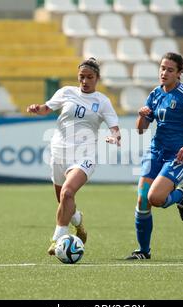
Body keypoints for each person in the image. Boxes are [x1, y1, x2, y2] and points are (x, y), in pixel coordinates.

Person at [26, 57, 121, 256]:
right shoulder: (66, 92)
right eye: (81, 77)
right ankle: (78, 221)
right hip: (59, 153)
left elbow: (114, 128)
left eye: (89, 77)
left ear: (97, 78)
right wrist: (37, 109)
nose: (85, 81)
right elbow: (46, 108)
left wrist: (115, 137)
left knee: (67, 193)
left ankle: (57, 240)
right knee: (63, 200)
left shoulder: (102, 101)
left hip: (85, 154)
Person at [126, 52, 183, 260]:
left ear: (179, 73)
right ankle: (143, 251)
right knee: (142, 200)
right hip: (156, 152)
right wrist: (142, 117)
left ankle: (180, 195)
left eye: (170, 70)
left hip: (177, 156)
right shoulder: (155, 94)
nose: (164, 73)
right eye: (162, 68)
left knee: (155, 198)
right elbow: (141, 129)